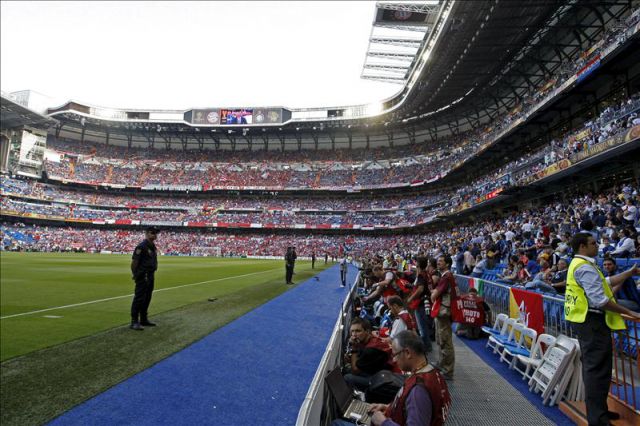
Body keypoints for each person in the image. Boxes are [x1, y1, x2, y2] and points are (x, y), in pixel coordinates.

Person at [564, 233, 640, 426]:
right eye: (592, 243)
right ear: (582, 246)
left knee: (598, 371)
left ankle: (600, 412)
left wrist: (628, 273)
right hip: (592, 323)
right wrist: (631, 312)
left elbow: (605, 283)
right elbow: (601, 300)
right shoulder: (584, 267)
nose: (596, 245)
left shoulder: (580, 264)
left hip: (586, 323)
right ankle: (598, 420)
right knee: (597, 372)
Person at [367, 331, 451, 426]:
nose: (394, 360)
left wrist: (383, 422)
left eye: (395, 355)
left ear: (407, 353)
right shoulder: (433, 372)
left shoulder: (418, 390)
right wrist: (388, 408)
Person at [343, 318, 394, 392]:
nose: (354, 335)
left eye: (358, 331)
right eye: (352, 331)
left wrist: (354, 348)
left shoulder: (370, 350)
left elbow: (355, 370)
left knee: (348, 377)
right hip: (382, 373)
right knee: (346, 370)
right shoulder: (370, 339)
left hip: (386, 381)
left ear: (367, 331)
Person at [430, 255, 456, 380]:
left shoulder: (446, 277)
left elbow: (435, 294)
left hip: (444, 311)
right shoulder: (445, 276)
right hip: (442, 311)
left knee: (445, 341)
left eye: (441, 261)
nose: (438, 263)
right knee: (440, 339)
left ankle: (448, 370)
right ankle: (441, 364)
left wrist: (433, 295)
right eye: (438, 261)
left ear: (447, 264)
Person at [130, 227, 159, 331]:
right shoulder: (141, 247)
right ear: (146, 234)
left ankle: (143, 318)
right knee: (139, 298)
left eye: (156, 233)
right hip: (143, 275)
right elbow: (134, 263)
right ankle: (134, 321)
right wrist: (136, 274)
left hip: (151, 275)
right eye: (152, 233)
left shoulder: (152, 246)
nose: (155, 235)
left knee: (147, 297)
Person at [406, 256, 433, 352]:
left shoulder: (421, 275)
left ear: (418, 264)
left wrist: (410, 298)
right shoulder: (426, 274)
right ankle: (427, 345)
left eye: (416, 262)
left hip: (421, 303)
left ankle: (426, 347)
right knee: (424, 326)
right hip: (425, 302)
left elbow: (420, 289)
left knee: (422, 327)